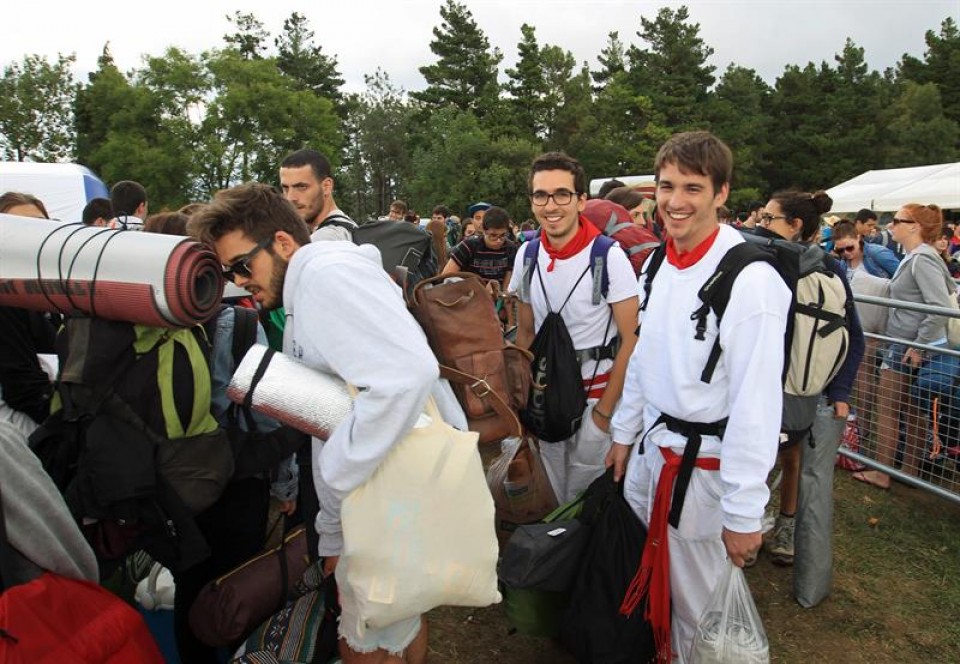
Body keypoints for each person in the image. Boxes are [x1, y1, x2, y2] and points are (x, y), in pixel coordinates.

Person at [188, 182, 466, 664]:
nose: (239, 282)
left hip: (382, 496)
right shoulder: (317, 276)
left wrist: (337, 486)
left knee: (363, 628)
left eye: (241, 266)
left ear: (281, 242)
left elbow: (408, 375)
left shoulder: (324, 278)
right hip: (391, 486)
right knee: (395, 619)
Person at [607, 131, 791, 663]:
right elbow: (643, 355)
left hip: (706, 471)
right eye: (666, 186)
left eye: (692, 187)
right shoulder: (658, 263)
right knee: (655, 585)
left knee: (701, 608)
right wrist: (624, 432)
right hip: (650, 452)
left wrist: (742, 510)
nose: (675, 201)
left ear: (721, 193)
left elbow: (758, 404)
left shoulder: (749, 280)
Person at [508, 152, 639, 503]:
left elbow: (632, 339)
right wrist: (524, 401)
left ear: (581, 200)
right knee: (551, 488)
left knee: (586, 497)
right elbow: (524, 331)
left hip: (595, 395)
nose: (551, 205)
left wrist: (603, 413)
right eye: (541, 195)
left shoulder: (609, 257)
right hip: (545, 396)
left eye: (562, 194)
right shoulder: (527, 255)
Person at [752, 191, 864, 566]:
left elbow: (852, 333)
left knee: (790, 455)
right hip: (761, 379)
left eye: (769, 219)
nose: (759, 224)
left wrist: (840, 390)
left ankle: (784, 523)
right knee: (758, 455)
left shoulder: (827, 270)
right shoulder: (757, 260)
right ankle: (751, 522)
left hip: (796, 384)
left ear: (795, 225)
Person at [854, 204, 955, 490]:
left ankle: (882, 472)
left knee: (888, 407)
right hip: (910, 343)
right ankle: (907, 470)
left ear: (915, 226)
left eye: (897, 220)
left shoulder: (922, 259)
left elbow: (938, 307)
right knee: (910, 410)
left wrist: (919, 346)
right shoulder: (919, 257)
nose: (891, 225)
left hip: (908, 345)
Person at [0, 192, 58, 437]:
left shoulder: (51, 291)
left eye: (40, 225)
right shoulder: (6, 298)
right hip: (23, 433)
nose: (33, 235)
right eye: (19, 227)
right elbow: (23, 389)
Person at [279, 149, 353, 240]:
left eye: (301, 187)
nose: (290, 198)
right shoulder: (348, 229)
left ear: (326, 186)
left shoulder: (325, 239)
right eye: (286, 188)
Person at [442, 205, 518, 292]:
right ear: (484, 231)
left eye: (503, 235)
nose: (498, 240)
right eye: (493, 235)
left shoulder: (510, 248)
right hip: (469, 297)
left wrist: (502, 295)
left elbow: (507, 285)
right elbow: (446, 276)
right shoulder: (469, 245)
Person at [832, 219, 900, 279]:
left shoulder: (877, 253)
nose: (846, 252)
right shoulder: (843, 263)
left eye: (850, 248)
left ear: (858, 238)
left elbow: (902, 278)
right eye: (840, 250)